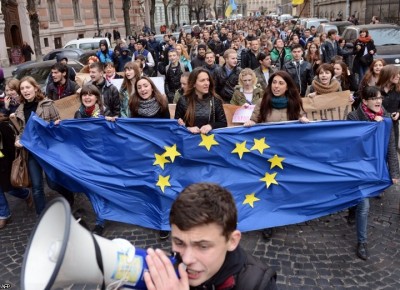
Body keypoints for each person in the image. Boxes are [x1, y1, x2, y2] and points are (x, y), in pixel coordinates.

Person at [143, 182, 278, 289]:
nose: (186, 259)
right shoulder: (165, 272)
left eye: (202, 246)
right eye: (179, 243)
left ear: (232, 241)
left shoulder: (257, 284)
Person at [347, 86, 399, 260]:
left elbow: (391, 147)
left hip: (374, 168)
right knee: (364, 205)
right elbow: (351, 144)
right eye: (374, 98)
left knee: (362, 203)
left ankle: (353, 210)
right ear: (364, 101)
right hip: (358, 168)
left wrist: (394, 171)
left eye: (380, 99)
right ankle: (362, 242)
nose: (378, 101)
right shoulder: (353, 117)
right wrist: (371, 127)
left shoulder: (385, 119)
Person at [11, 77, 74, 215]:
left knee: (52, 183)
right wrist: (17, 140)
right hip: (31, 152)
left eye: (28, 87)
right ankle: (42, 215)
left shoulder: (47, 104)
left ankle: (69, 195)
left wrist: (56, 126)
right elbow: (20, 131)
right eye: (22, 89)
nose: (25, 91)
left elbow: (59, 124)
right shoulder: (20, 110)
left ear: (35, 88)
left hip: (48, 150)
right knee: (37, 187)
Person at [0, 120, 33, 229]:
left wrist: (10, 163)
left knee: (10, 188)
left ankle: (26, 194)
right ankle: (4, 214)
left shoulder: (3, 125)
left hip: (5, 164)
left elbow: (11, 146)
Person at [175, 68, 227, 134]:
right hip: (189, 140)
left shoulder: (215, 99)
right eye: (202, 80)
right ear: (193, 84)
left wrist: (210, 126)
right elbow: (176, 125)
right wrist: (188, 128)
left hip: (210, 140)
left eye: (208, 80)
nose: (207, 83)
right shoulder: (183, 100)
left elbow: (223, 123)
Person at [376, 65, 400, 150]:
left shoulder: (398, 90)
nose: (398, 76)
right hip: (378, 126)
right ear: (387, 75)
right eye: (396, 74)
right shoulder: (375, 90)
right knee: (379, 150)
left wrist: (398, 113)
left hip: (393, 126)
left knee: (393, 151)